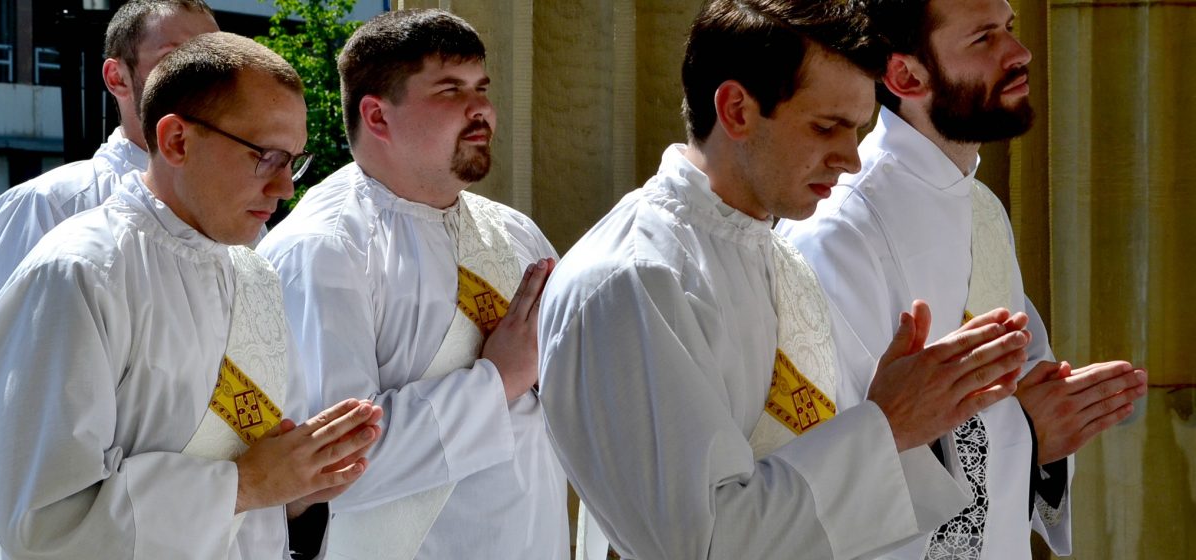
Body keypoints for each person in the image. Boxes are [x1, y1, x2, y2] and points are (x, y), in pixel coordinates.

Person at [536, 1, 1043, 558]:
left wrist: (901, 419)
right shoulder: (634, 281)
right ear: (736, 109)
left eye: (857, 129)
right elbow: (700, 545)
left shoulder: (777, 259)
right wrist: (887, 427)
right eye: (827, 127)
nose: (851, 160)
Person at [0, 32, 382, 560]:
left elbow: (250, 473)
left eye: (294, 161)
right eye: (267, 157)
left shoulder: (254, 275)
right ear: (177, 141)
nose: (285, 188)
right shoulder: (79, 273)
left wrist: (299, 483)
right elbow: (44, 521)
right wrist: (246, 485)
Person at [777, 0, 1149, 558]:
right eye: (983, 39)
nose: (1020, 54)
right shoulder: (839, 233)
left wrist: (1046, 429)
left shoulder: (980, 208)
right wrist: (1023, 434)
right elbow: (838, 462)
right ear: (906, 75)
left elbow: (1022, 396)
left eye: (1010, 30)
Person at [256, 9, 567, 559]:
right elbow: (332, 469)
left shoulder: (516, 233)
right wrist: (498, 381)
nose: (482, 111)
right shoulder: (325, 250)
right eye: (450, 90)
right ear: (376, 115)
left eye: (482, 88)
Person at [0, 0, 218, 415]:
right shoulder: (48, 205)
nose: (202, 79)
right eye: (174, 59)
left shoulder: (235, 207)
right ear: (118, 78)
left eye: (214, 60)